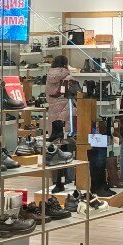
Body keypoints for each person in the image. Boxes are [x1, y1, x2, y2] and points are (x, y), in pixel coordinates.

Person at [45, 55, 76, 192]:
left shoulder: (49, 76)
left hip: (53, 111)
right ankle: (66, 178)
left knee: (55, 146)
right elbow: (74, 94)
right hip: (66, 110)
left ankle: (57, 179)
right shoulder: (67, 77)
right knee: (67, 144)